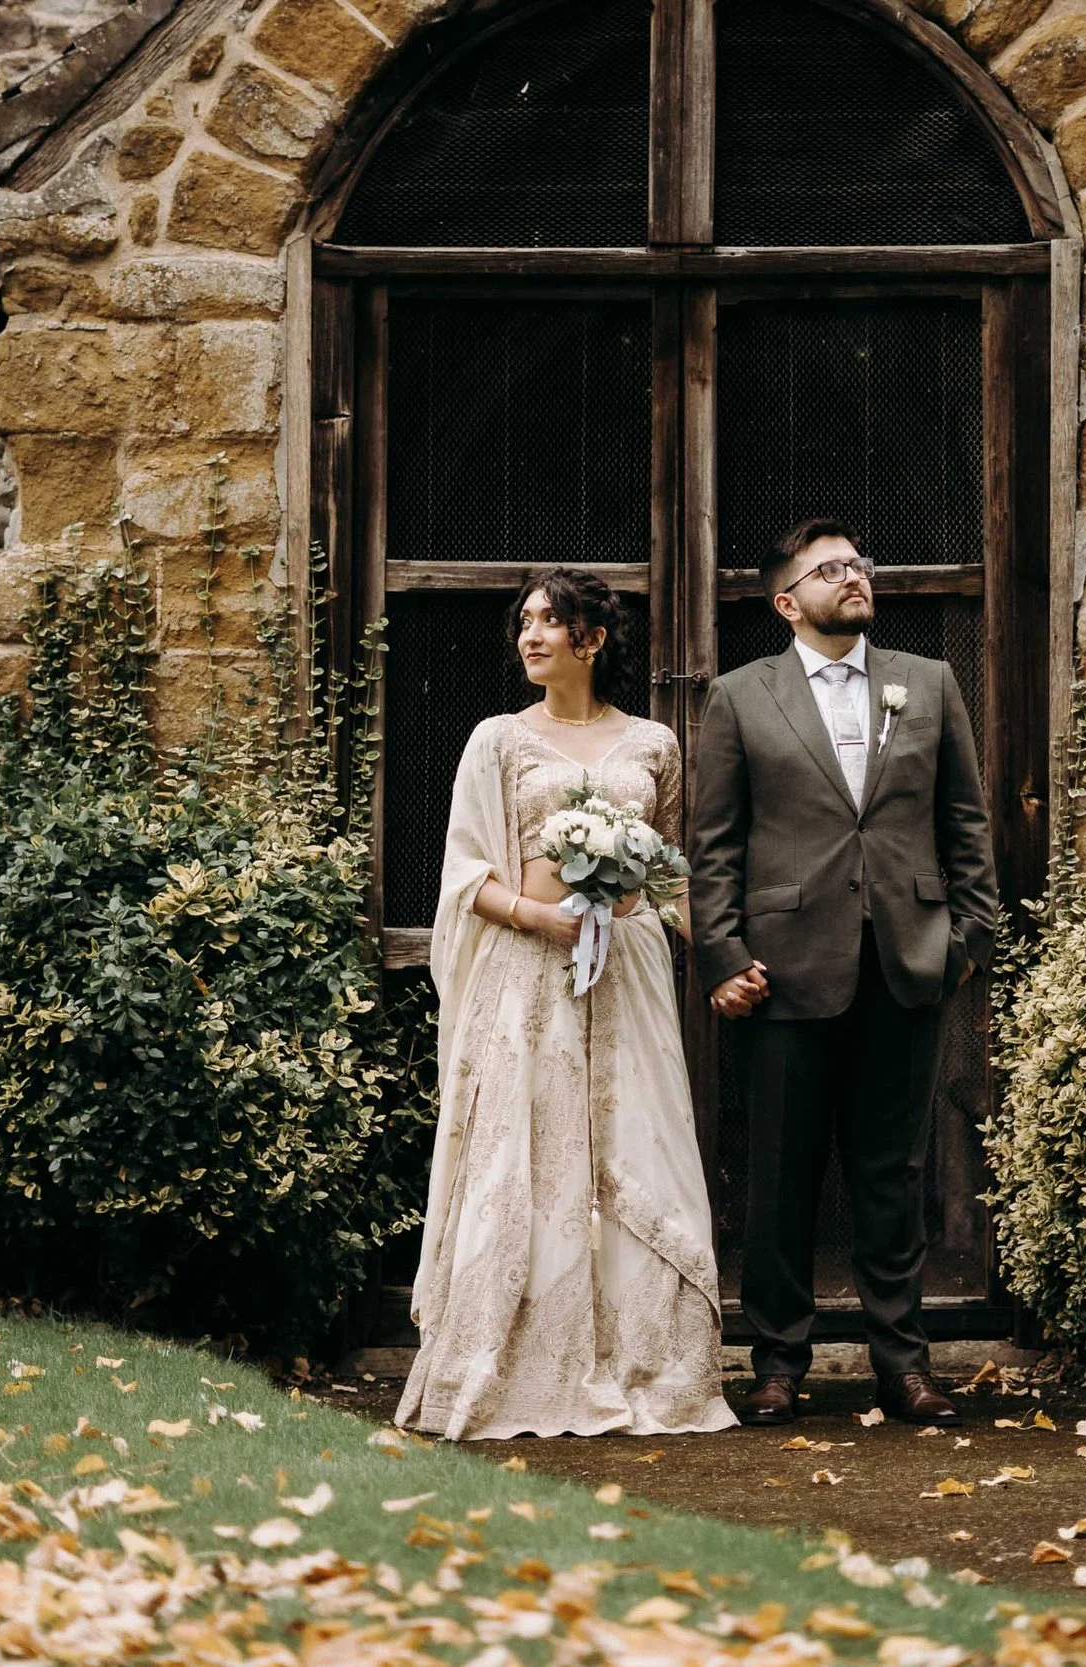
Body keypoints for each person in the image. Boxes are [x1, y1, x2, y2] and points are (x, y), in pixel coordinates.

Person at [396, 568, 735, 1440]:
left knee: (638, 1147)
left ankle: (648, 1364)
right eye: (526, 622)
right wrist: (541, 916)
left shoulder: (654, 742)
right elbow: (465, 873)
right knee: (531, 1153)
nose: (531, 636)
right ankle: (511, 1365)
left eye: (552, 621)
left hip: (626, 971)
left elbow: (664, 868)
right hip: (527, 972)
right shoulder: (497, 741)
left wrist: (725, 957)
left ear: (594, 639)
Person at [689, 519, 1000, 1427]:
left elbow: (965, 824)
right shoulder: (741, 698)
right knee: (780, 1174)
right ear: (787, 602)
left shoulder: (928, 684)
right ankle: (778, 1362)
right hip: (780, 972)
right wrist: (722, 952)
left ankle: (901, 1364)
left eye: (859, 562)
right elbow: (714, 846)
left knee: (892, 1174)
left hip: (905, 963)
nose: (854, 575)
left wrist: (965, 939)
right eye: (830, 569)